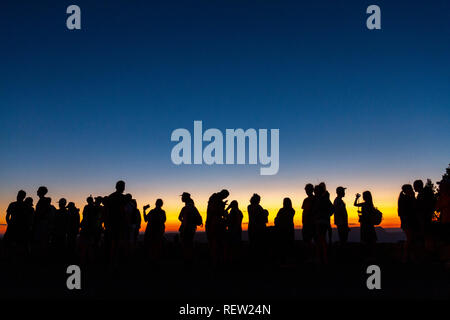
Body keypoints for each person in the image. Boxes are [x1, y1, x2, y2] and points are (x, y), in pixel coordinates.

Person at [104, 181, 127, 265]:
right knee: (115, 246)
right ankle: (114, 263)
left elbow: (106, 211)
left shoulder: (111, 197)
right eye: (123, 186)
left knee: (112, 245)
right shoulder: (122, 198)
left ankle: (111, 263)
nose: (124, 188)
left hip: (112, 225)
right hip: (117, 225)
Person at [206, 189, 229, 266]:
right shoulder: (216, 199)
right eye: (225, 196)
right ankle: (216, 261)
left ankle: (215, 260)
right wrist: (223, 208)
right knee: (216, 242)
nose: (225, 197)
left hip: (212, 222)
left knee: (215, 242)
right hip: (215, 223)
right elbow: (216, 211)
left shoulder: (214, 198)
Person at [178, 192, 202, 264]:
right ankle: (190, 260)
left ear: (185, 198)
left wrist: (184, 222)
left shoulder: (185, 208)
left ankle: (187, 261)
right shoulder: (194, 208)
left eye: (182, 197)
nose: (181, 198)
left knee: (185, 245)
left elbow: (179, 217)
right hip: (192, 229)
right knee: (189, 244)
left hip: (185, 229)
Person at [314, 183, 334, 264]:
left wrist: (323, 215)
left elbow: (332, 209)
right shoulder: (325, 199)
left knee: (321, 240)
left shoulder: (321, 199)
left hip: (320, 222)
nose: (314, 192)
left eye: (316, 191)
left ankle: (323, 259)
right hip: (324, 221)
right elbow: (332, 209)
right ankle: (324, 258)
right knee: (322, 240)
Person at [398, 184, 418, 262]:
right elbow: (413, 208)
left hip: (407, 222)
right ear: (407, 190)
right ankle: (406, 257)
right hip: (408, 222)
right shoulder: (406, 199)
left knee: (410, 239)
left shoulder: (403, 198)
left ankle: (408, 256)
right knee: (410, 239)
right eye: (411, 189)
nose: (412, 190)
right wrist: (413, 197)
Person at [4, 190, 28, 257]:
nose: (18, 196)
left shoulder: (25, 206)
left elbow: (26, 217)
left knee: (18, 244)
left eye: (20, 195)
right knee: (7, 243)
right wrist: (9, 223)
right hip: (12, 226)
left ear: (23, 197)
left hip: (20, 227)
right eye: (18, 194)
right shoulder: (12, 204)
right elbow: (7, 216)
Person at [413, 180, 436, 250]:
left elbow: (421, 206)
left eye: (415, 186)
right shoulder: (425, 193)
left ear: (418, 186)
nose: (414, 188)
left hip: (424, 218)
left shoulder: (423, 194)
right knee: (427, 235)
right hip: (425, 217)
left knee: (426, 235)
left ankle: (429, 251)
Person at [354, 191, 377, 260]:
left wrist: (357, 198)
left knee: (365, 237)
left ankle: (366, 254)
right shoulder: (370, 204)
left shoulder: (364, 204)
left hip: (364, 223)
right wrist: (361, 212)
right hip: (369, 223)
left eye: (364, 196)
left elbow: (355, 204)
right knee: (370, 238)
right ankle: (371, 254)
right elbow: (369, 213)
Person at [247, 193, 268, 261]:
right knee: (258, 244)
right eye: (259, 200)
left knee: (252, 243)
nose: (259, 201)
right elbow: (262, 216)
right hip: (258, 228)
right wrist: (265, 212)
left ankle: (252, 258)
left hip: (251, 227)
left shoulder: (249, 207)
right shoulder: (258, 207)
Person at [274, 197, 295, 263]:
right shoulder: (291, 210)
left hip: (285, 229)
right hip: (286, 229)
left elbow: (277, 218)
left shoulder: (285, 210)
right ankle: (287, 259)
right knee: (287, 245)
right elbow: (277, 218)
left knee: (285, 245)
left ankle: (286, 259)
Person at [301, 184, 316, 261]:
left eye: (307, 190)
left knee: (310, 241)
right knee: (307, 241)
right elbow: (304, 211)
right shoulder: (306, 200)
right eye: (306, 190)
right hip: (307, 224)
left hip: (311, 224)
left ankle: (312, 257)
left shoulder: (314, 199)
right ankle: (310, 257)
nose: (306, 191)